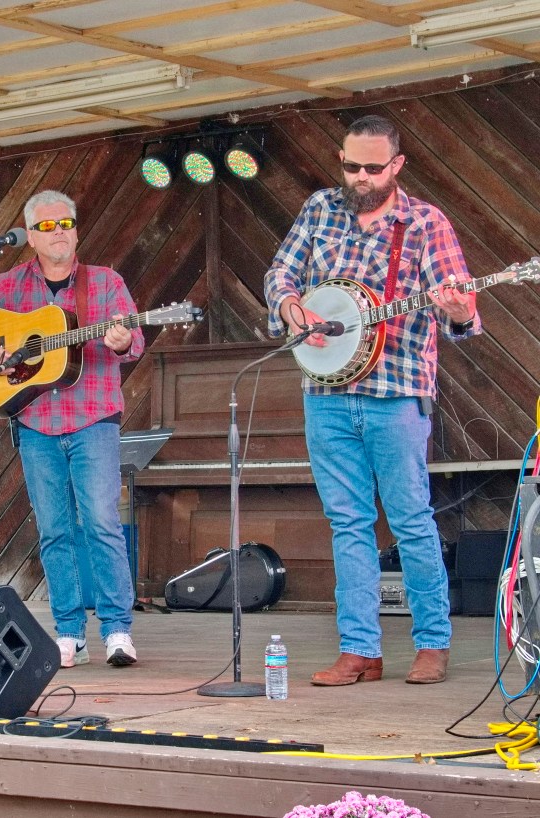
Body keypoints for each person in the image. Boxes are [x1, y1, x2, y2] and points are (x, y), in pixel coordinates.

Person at [264, 114, 480, 686]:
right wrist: (291, 308)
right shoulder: (319, 209)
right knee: (347, 522)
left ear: (397, 165)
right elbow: (280, 274)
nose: (361, 177)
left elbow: (460, 314)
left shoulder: (425, 222)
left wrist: (459, 309)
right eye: (352, 165)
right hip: (325, 391)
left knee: (411, 519)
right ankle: (360, 649)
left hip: (397, 392)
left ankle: (432, 643)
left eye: (373, 168)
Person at [0, 190, 144, 668]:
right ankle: (69, 633)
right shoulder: (10, 285)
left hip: (93, 418)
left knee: (102, 522)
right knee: (53, 530)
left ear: (76, 230)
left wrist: (121, 340)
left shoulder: (105, 282)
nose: (59, 232)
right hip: (35, 422)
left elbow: (133, 342)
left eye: (66, 223)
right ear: (30, 237)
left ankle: (117, 629)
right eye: (47, 226)